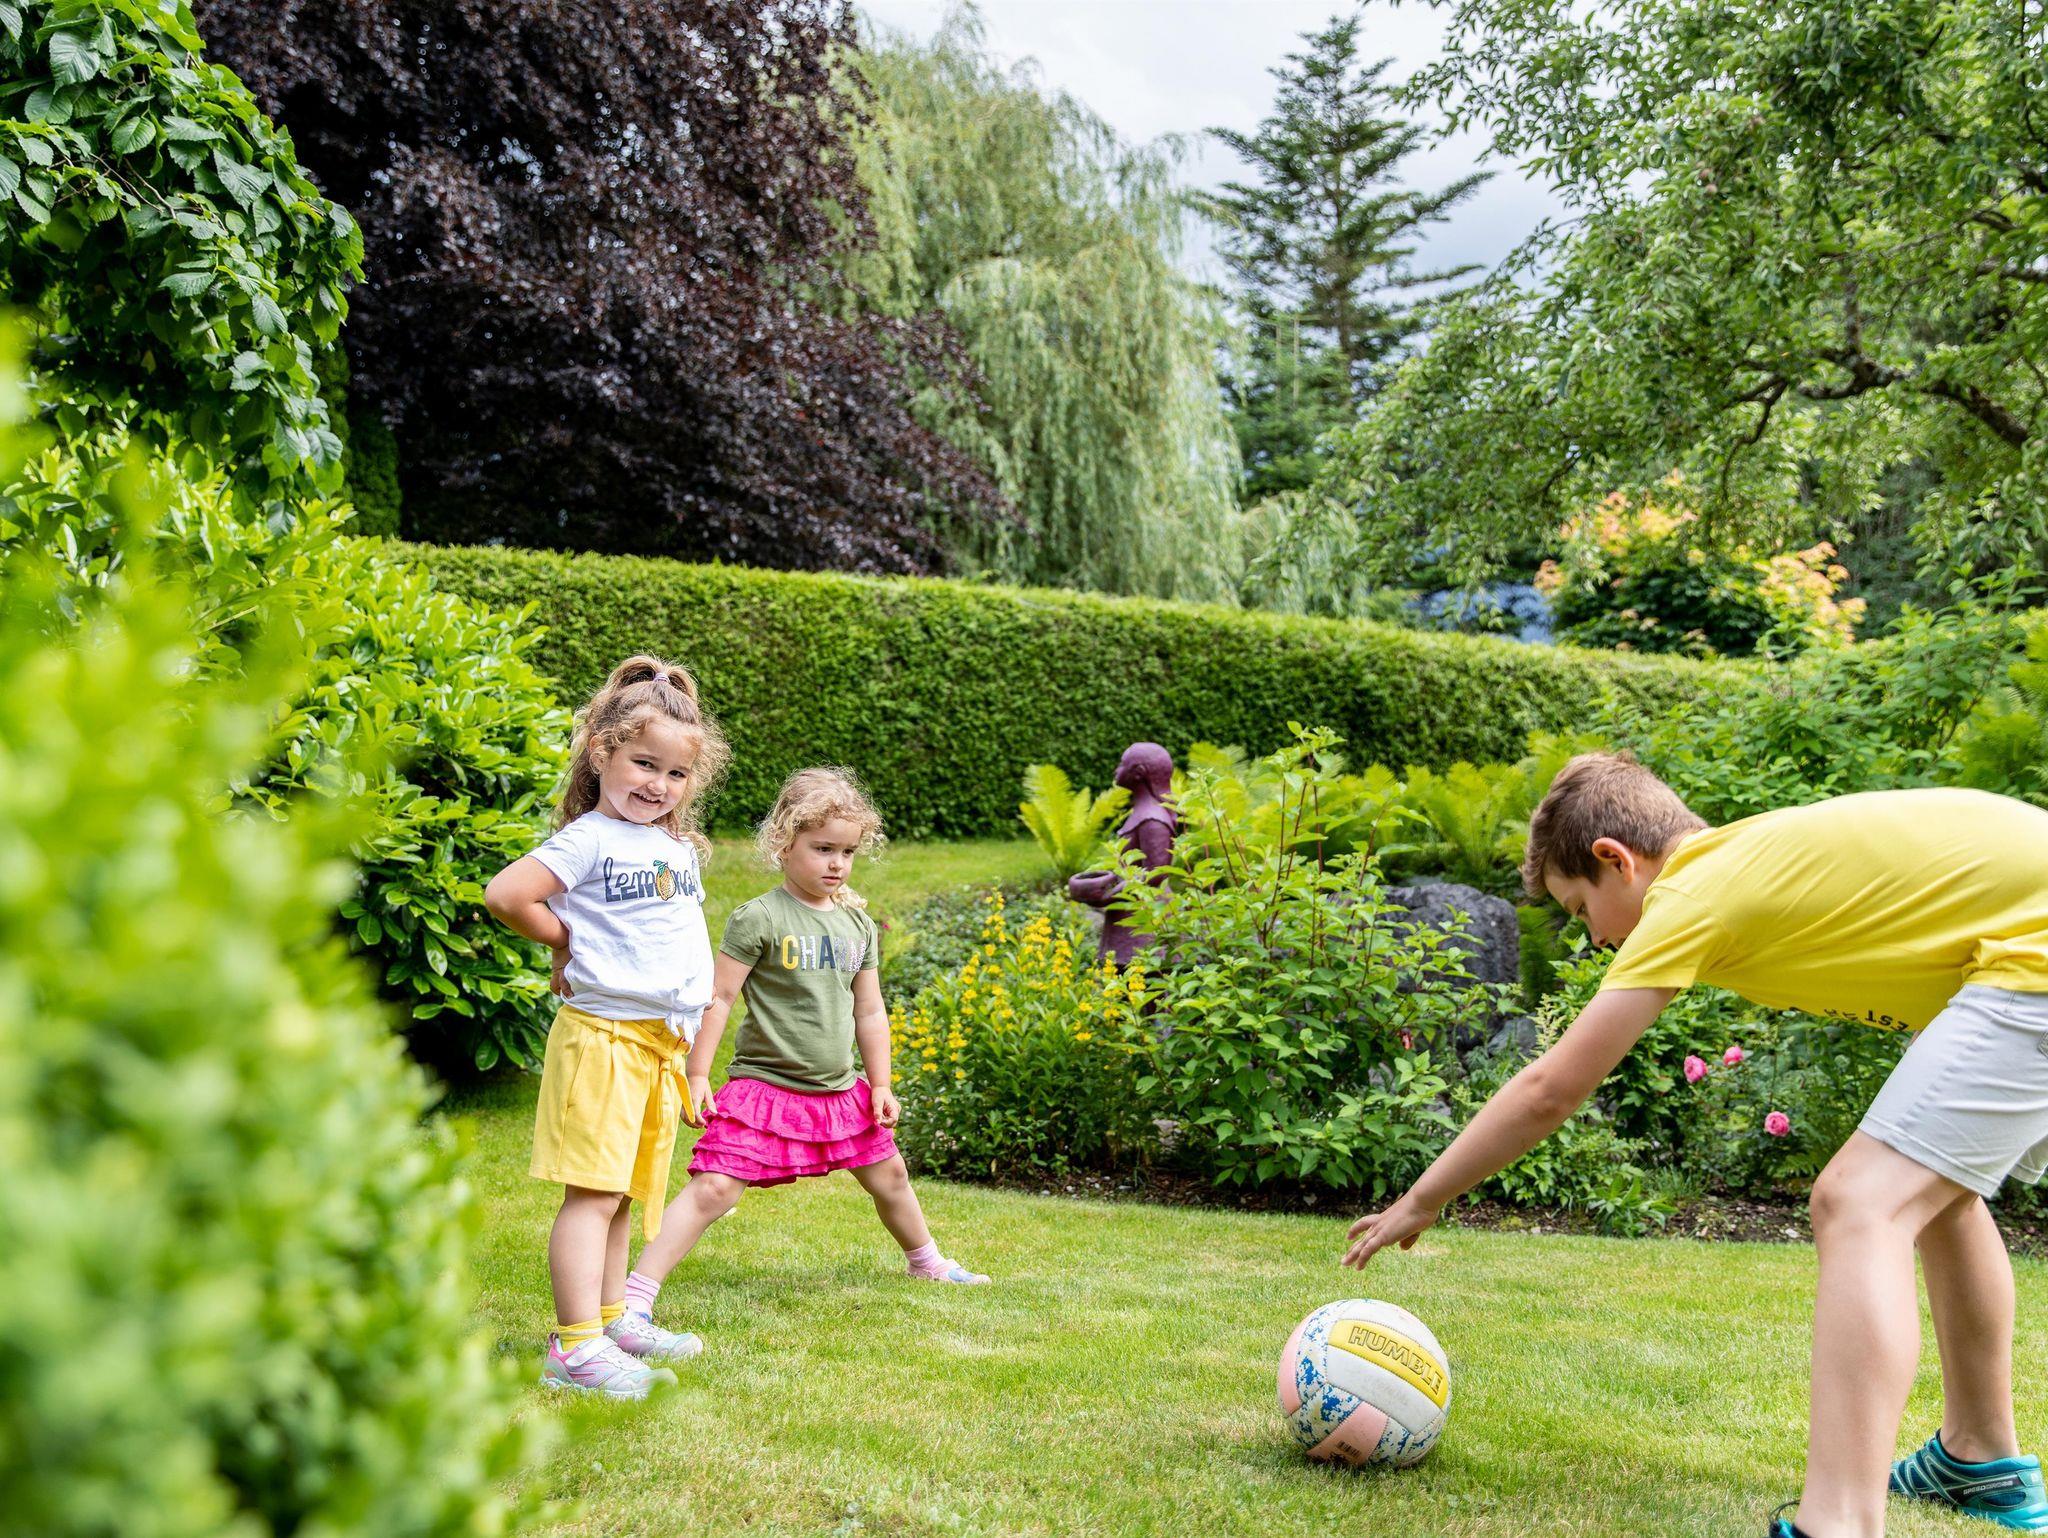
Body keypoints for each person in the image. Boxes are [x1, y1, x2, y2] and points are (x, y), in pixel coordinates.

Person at [1342, 753, 2048, 1537]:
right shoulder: (1742, 863)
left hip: (2033, 951)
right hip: (2015, 943)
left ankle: (1839, 1525)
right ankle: (1980, 1459)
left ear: (1617, 859)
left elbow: (1550, 1090)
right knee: (1940, 1194)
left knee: (1860, 1203)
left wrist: (1423, 1197)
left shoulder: (1689, 892)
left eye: (1581, 909)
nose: (1594, 937)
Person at [621, 767, 988, 1342]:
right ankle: (635, 1297)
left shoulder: (857, 924)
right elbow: (719, 997)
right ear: (783, 844)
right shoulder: (759, 918)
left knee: (891, 1175)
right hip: (764, 1087)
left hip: (840, 1090)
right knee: (714, 1188)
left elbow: (870, 1010)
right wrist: (697, 1073)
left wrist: (881, 1083)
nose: (836, 864)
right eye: (822, 849)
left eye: (847, 852)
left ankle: (927, 1262)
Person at [483, 654, 728, 1399]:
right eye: (643, 764)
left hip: (654, 1044)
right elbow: (507, 895)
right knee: (591, 1194)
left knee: (621, 1191)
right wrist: (567, 940)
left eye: (675, 774)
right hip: (603, 1040)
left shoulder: (672, 846)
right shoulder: (588, 838)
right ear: (602, 753)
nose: (658, 785)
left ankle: (613, 1319)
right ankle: (575, 1346)